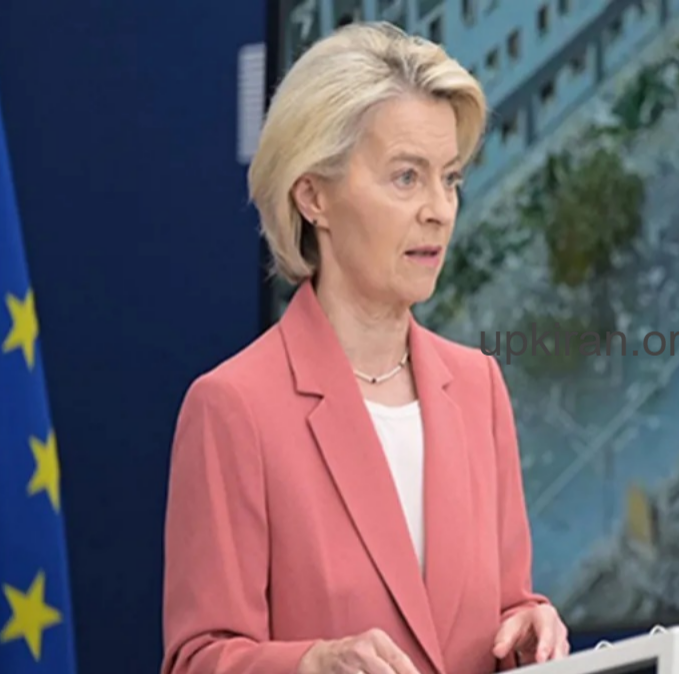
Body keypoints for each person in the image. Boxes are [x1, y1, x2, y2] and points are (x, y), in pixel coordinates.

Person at [160, 22, 569, 674]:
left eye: (450, 179)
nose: (439, 209)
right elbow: (198, 660)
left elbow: (504, 606)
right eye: (406, 177)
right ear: (313, 196)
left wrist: (529, 624)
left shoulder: (479, 387)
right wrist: (311, 664)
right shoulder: (233, 408)